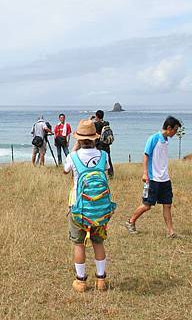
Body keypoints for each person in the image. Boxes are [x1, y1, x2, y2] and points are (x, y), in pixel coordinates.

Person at [64, 120, 113, 292]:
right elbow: (105, 170)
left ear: (78, 138)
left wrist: (74, 149)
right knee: (98, 243)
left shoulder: (73, 157)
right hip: (100, 209)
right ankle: (101, 280)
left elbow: (65, 170)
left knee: (79, 244)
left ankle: (81, 281)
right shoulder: (104, 156)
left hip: (78, 208)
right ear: (94, 137)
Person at [124, 116, 182, 238]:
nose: (176, 133)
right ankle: (130, 222)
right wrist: (145, 173)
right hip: (153, 178)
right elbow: (146, 156)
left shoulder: (166, 140)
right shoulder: (154, 138)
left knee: (167, 205)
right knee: (147, 205)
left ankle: (171, 232)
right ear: (169, 128)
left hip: (165, 178)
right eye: (175, 130)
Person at [92, 110, 114, 177]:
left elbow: (88, 124)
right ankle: (111, 174)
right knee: (108, 159)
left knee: (99, 160)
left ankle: (100, 174)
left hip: (99, 144)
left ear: (97, 116)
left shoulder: (96, 124)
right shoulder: (106, 123)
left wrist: (90, 119)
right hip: (106, 144)